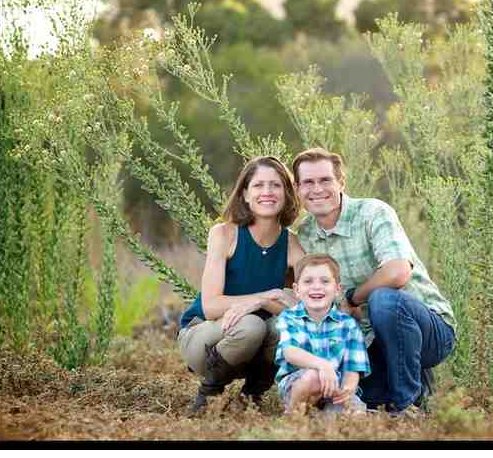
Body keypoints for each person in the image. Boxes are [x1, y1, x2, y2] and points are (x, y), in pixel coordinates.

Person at [291, 147, 456, 417]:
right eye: (308, 182)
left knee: (384, 299)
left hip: (428, 330)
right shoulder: (306, 235)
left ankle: (407, 405)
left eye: (325, 180)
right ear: (297, 189)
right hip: (368, 338)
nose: (317, 189)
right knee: (363, 399)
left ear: (341, 182)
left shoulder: (372, 212)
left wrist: (353, 298)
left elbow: (397, 272)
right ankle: (412, 383)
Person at [178, 155, 305, 414]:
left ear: (287, 194)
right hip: (206, 337)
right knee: (251, 325)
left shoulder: (291, 244)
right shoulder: (224, 234)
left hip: (255, 348)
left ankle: (251, 395)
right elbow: (211, 306)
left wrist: (264, 302)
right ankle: (209, 395)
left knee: (283, 327)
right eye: (258, 185)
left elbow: (306, 311)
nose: (267, 192)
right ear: (245, 194)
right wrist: (266, 298)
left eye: (276, 185)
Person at [274, 253, 370, 415]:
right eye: (308, 281)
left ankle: (326, 417)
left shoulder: (348, 325)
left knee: (355, 413)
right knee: (314, 377)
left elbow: (353, 367)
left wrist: (347, 391)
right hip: (299, 384)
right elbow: (291, 353)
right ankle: (293, 415)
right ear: (296, 290)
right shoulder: (289, 317)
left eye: (325, 281)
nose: (316, 287)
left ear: (337, 289)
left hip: (335, 387)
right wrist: (323, 365)